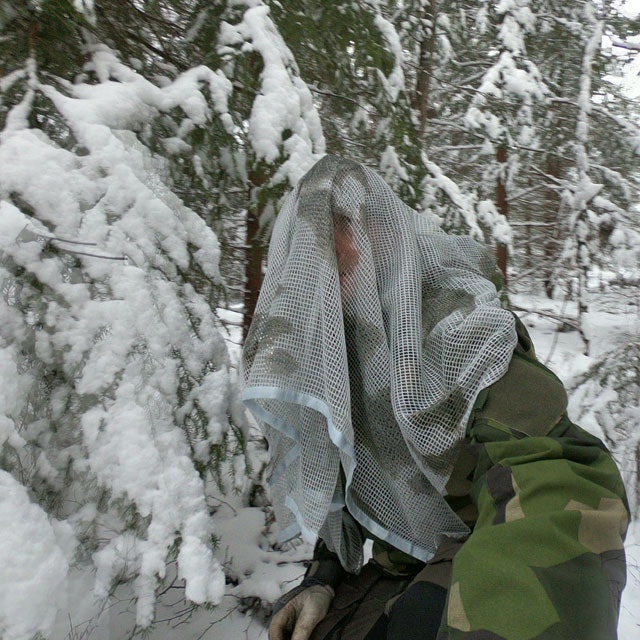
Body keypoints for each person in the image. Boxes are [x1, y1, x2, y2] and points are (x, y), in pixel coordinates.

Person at [242, 156, 629, 640]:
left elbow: (557, 478)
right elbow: (349, 469)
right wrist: (326, 574)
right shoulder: (341, 347)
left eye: (349, 233)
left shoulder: (463, 330)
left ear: (388, 238)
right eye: (318, 245)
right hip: (399, 562)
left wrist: (497, 619)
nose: (336, 258)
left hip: (481, 551)